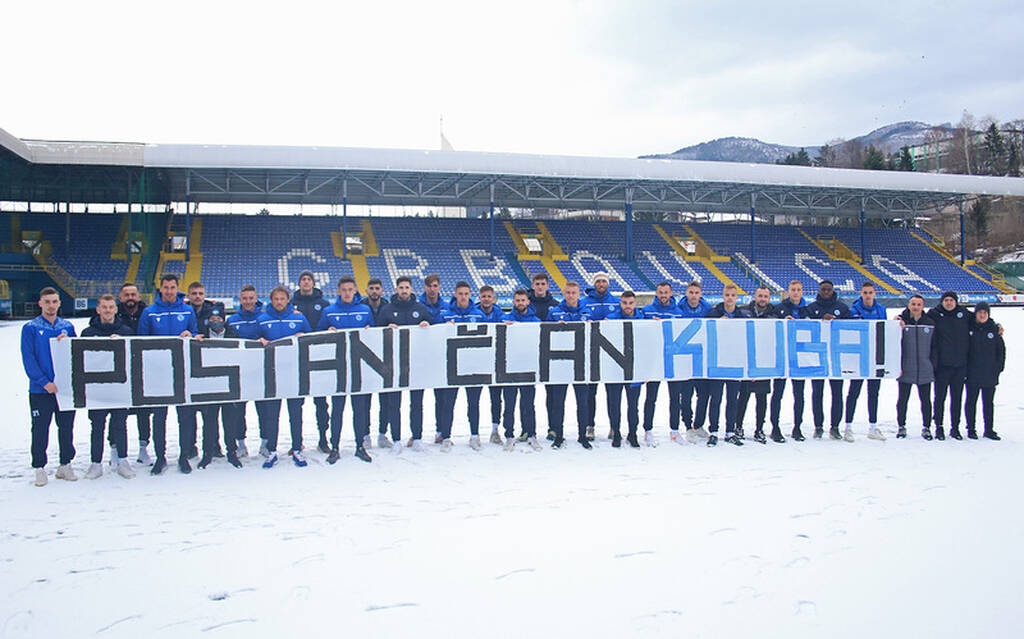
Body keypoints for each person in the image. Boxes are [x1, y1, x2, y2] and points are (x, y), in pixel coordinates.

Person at [137, 274, 199, 475]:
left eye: (173, 287)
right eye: (166, 287)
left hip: (181, 372)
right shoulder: (149, 312)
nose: (170, 291)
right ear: (160, 289)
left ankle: (183, 455)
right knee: (159, 417)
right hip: (158, 374)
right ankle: (160, 457)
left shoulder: (187, 310)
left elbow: (195, 336)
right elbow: (141, 342)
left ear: (177, 288)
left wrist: (189, 335)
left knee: (185, 416)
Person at [21, 287, 77, 486]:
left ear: (60, 303)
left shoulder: (67, 327)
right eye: (47, 302)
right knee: (40, 429)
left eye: (54, 301)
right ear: (40, 303)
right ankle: (39, 467)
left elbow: (76, 354)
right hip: (41, 390)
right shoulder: (31, 328)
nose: (51, 305)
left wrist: (69, 342)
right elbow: (29, 359)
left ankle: (65, 464)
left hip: (64, 390)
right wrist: (44, 382)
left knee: (66, 428)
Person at [316, 276, 374, 463]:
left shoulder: (365, 310)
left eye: (350, 289)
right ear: (338, 291)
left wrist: (368, 331)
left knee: (359, 409)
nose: (347, 293)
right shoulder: (329, 312)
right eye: (344, 290)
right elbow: (317, 336)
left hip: (358, 369)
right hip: (338, 369)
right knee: (337, 409)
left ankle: (359, 446)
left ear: (355, 290)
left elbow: (374, 337)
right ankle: (335, 446)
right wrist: (327, 332)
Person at [256, 286, 312, 467]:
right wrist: (259, 342)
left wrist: (303, 336)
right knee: (272, 414)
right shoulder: (262, 320)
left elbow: (311, 339)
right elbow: (255, 343)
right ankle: (272, 450)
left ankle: (297, 448)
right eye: (276, 299)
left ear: (288, 300)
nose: (279, 302)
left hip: (295, 374)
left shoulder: (299, 318)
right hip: (272, 375)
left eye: (282, 299)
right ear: (271, 300)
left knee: (296, 413)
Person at [82, 294, 136, 479]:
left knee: (120, 424)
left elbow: (133, 357)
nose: (107, 310)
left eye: (111, 307)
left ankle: (122, 460)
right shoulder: (88, 332)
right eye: (104, 307)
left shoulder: (126, 331)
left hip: (119, 387)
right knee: (97, 426)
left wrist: (121, 342)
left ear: (116, 309)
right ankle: (95, 463)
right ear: (98, 309)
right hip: (97, 388)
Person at [377, 276, 433, 453]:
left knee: (417, 403)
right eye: (400, 287)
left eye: (406, 287)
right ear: (396, 290)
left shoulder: (420, 308)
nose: (403, 290)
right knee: (394, 403)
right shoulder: (387, 310)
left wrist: (427, 325)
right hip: (393, 364)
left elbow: (435, 330)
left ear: (411, 290)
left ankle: (417, 438)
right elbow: (376, 333)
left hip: (416, 363)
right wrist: (386, 329)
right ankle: (396, 440)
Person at [437, 281, 487, 450]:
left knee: (474, 403)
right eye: (460, 294)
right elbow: (434, 335)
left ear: (470, 295)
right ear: (455, 294)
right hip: (451, 366)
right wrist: (443, 328)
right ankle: (446, 437)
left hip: (473, 366)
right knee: (448, 403)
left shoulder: (479, 315)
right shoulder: (445, 314)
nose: (463, 297)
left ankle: (474, 435)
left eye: (466, 294)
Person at [182, 281, 226, 460]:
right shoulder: (184, 311)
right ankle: (190, 446)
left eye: (200, 293)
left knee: (212, 411)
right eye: (194, 293)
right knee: (190, 412)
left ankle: (214, 445)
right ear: (189, 295)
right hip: (189, 367)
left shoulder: (212, 310)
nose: (197, 296)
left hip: (210, 366)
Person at [547, 281, 592, 449]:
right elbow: (544, 334)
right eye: (568, 292)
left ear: (578, 294)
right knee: (558, 402)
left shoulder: (587, 312)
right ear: (563, 293)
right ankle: (559, 435)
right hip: (560, 363)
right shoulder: (555, 312)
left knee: (583, 402)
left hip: (581, 363)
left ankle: (582, 435)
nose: (571, 295)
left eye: (574, 292)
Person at [640, 282, 686, 447]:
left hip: (672, 360)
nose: (663, 295)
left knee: (675, 398)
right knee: (651, 397)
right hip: (653, 360)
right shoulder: (646, 311)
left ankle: (674, 430)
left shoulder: (679, 313)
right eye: (660, 292)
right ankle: (648, 430)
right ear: (656, 293)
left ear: (671, 293)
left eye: (666, 292)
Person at [702, 285, 748, 447]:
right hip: (717, 362)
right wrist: (716, 323)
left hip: (735, 362)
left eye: (733, 295)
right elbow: (705, 333)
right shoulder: (713, 314)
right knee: (715, 398)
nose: (729, 298)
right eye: (727, 295)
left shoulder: (742, 316)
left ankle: (730, 431)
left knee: (732, 400)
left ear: (737, 297)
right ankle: (713, 431)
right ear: (723, 296)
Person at [804, 280, 850, 440]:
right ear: (819, 290)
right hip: (817, 357)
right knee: (817, 393)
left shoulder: (842, 308)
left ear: (833, 290)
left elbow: (850, 329)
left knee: (837, 393)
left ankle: (835, 426)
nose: (825, 291)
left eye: (828, 289)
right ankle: (818, 426)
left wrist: (835, 323)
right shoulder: (811, 308)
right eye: (823, 289)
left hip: (837, 358)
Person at [291, 270, 331, 454]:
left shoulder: (323, 304)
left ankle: (323, 439)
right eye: (303, 280)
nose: (306, 282)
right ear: (299, 283)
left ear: (313, 283)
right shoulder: (291, 304)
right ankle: (296, 443)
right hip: (296, 359)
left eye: (309, 279)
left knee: (321, 402)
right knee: (296, 403)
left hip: (318, 356)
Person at [196, 307, 240, 469]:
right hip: (209, 384)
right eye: (212, 319)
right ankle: (208, 452)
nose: (215, 322)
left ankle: (232, 452)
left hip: (228, 384)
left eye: (218, 319)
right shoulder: (201, 334)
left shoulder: (232, 334)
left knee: (230, 421)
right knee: (209, 421)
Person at [844, 282, 887, 441]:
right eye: (865, 293)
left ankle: (873, 426)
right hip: (858, 357)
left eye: (870, 292)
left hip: (876, 356)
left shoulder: (881, 310)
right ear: (861, 294)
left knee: (874, 392)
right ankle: (848, 426)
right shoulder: (853, 310)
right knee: (854, 392)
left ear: (875, 293)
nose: (868, 295)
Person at [224, 284, 263, 460]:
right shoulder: (231, 320)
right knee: (238, 411)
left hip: (261, 371)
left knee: (264, 409)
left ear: (256, 298)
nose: (248, 301)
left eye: (251, 298)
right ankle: (241, 443)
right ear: (240, 300)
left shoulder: (265, 317)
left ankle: (266, 443)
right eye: (244, 298)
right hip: (239, 373)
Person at [926, 291, 971, 440]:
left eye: (952, 300)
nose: (949, 302)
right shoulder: (934, 314)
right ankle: (939, 427)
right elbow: (915, 316)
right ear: (942, 302)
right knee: (939, 398)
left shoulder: (964, 314)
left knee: (956, 398)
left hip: (960, 365)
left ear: (956, 302)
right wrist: (899, 317)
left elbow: (980, 320)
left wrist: (996, 325)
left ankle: (955, 427)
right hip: (942, 366)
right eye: (946, 300)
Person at [116, 281, 152, 464]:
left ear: (138, 296)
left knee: (144, 411)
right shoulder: (114, 315)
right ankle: (115, 450)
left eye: (133, 294)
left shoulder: (147, 314)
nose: (130, 298)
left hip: (142, 370)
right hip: (120, 371)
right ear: (121, 298)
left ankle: (143, 448)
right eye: (126, 295)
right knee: (117, 411)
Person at [501, 289, 542, 451]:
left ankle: (531, 434)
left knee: (528, 404)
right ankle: (509, 435)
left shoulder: (535, 320)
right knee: (509, 404)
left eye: (523, 300)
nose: (520, 303)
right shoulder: (505, 319)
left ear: (528, 302)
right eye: (517, 300)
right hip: (509, 368)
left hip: (528, 368)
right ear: (513, 302)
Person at [604, 291, 646, 448]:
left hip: (635, 369)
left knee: (633, 405)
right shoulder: (612, 319)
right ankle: (616, 432)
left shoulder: (643, 320)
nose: (628, 306)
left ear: (635, 303)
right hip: (615, 368)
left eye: (630, 303)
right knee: (614, 403)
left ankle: (633, 433)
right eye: (624, 303)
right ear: (620, 303)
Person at [735, 286, 774, 443]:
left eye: (765, 296)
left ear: (769, 298)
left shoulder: (774, 314)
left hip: (764, 362)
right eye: (760, 296)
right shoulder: (743, 311)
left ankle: (759, 428)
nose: (762, 299)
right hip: (746, 361)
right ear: (755, 297)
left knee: (762, 398)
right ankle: (738, 426)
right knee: (743, 397)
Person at [770, 280, 808, 442]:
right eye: (793, 289)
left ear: (802, 292)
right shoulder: (779, 309)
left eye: (799, 289)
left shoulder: (808, 310)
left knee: (799, 395)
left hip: (800, 358)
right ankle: (775, 427)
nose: (796, 292)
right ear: (788, 291)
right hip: (782, 357)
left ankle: (797, 427)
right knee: (777, 393)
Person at [677, 280, 714, 443]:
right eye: (691, 292)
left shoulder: (708, 309)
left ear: (700, 294)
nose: (693, 295)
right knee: (685, 396)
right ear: (686, 293)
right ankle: (687, 425)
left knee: (704, 394)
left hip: (702, 359)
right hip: (685, 359)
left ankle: (698, 425)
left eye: (696, 293)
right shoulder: (679, 309)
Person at [582, 272, 618, 441]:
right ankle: (590, 425)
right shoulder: (585, 302)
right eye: (598, 281)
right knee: (590, 393)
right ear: (594, 284)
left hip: (612, 355)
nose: (601, 284)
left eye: (604, 281)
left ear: (608, 283)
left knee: (612, 393)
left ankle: (614, 425)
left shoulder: (616, 302)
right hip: (591, 354)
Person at [896, 295, 937, 440]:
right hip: (906, 368)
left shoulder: (930, 323)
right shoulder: (900, 322)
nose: (915, 307)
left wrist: (933, 365)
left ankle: (926, 427)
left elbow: (935, 347)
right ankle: (901, 426)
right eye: (913, 304)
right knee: (903, 399)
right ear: (908, 305)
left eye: (919, 304)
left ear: (923, 306)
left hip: (925, 368)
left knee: (925, 400)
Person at [965, 302, 1004, 441]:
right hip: (972, 373)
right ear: (975, 314)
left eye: (985, 313)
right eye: (980, 312)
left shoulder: (994, 330)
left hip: (989, 374)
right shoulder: (969, 328)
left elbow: (1001, 352)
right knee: (971, 402)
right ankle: (971, 429)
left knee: (988, 403)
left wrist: (997, 369)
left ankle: (989, 429)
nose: (982, 315)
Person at [420, 273, 450, 445]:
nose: (432, 289)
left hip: (440, 358)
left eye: (435, 286)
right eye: (429, 286)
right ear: (425, 287)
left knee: (441, 397)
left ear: (439, 287)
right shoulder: (417, 305)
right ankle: (416, 434)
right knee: (417, 399)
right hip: (421, 358)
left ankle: (441, 431)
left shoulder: (446, 307)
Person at [475, 285, 507, 445]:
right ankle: (474, 432)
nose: (486, 299)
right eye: (484, 296)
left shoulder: (500, 314)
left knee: (496, 398)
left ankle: (495, 430)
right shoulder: (473, 313)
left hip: (495, 363)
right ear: (479, 297)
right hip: (477, 363)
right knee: (474, 399)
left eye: (489, 296)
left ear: (493, 298)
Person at [362, 277, 391, 449]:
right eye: (371, 288)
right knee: (365, 400)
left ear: (382, 291)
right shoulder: (361, 308)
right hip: (364, 360)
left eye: (377, 288)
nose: (374, 291)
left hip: (385, 360)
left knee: (385, 400)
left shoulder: (388, 308)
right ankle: (365, 434)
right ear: (366, 290)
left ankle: (382, 433)